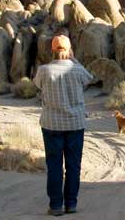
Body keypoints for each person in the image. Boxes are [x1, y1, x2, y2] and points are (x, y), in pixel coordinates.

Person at [33, 34, 93, 216]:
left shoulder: (44, 70)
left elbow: (37, 85)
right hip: (75, 123)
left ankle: (56, 205)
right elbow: (89, 78)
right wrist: (73, 59)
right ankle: (71, 204)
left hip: (52, 124)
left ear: (52, 50)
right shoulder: (77, 70)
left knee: (54, 165)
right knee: (74, 165)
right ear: (69, 50)